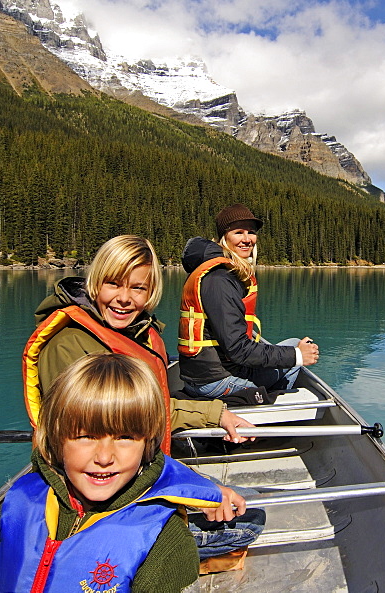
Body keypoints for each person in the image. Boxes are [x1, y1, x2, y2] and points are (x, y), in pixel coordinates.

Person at [22, 234, 263, 560]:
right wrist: (188, 489)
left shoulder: (139, 335)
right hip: (99, 498)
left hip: (137, 475)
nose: (124, 298)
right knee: (247, 520)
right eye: (113, 284)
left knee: (244, 500)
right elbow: (93, 452)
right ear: (95, 284)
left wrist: (214, 414)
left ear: (150, 293)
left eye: (137, 288)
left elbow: (150, 410)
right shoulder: (68, 346)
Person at [0, 353, 222, 593]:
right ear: (58, 439)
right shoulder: (21, 503)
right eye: (85, 436)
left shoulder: (164, 541)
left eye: (126, 437)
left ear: (148, 444)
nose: (104, 457)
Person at [178, 203, 320, 399]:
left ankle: (266, 398)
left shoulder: (221, 273)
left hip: (208, 374)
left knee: (294, 344)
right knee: (296, 354)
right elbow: (237, 349)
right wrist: (296, 356)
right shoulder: (219, 278)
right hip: (215, 382)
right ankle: (269, 407)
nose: (247, 239)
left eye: (251, 232)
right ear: (223, 238)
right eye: (238, 232)